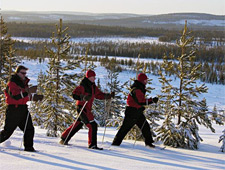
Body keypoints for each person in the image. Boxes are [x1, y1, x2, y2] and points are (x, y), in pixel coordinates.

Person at [59, 69, 114, 150]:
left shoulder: (93, 87)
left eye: (94, 77)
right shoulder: (83, 86)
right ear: (88, 77)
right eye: (92, 77)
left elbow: (99, 95)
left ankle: (64, 138)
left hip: (87, 108)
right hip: (82, 107)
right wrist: (83, 97)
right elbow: (74, 94)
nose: (94, 79)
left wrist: (108, 96)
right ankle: (92, 145)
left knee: (79, 124)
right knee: (92, 125)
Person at [0, 65, 43, 152]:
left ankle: (29, 148)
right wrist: (28, 92)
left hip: (23, 109)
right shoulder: (12, 83)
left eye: (25, 73)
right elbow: (15, 96)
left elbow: (24, 97)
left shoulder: (24, 83)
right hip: (13, 110)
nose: (24, 75)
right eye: (22, 73)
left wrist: (34, 98)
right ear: (17, 73)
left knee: (29, 128)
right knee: (8, 131)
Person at [112, 73, 158, 148]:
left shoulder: (139, 88)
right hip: (132, 112)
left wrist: (146, 103)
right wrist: (151, 101)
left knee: (145, 126)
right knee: (125, 129)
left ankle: (149, 144)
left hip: (137, 111)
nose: (147, 81)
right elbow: (141, 101)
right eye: (145, 80)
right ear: (142, 81)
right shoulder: (137, 89)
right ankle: (115, 144)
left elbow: (140, 102)